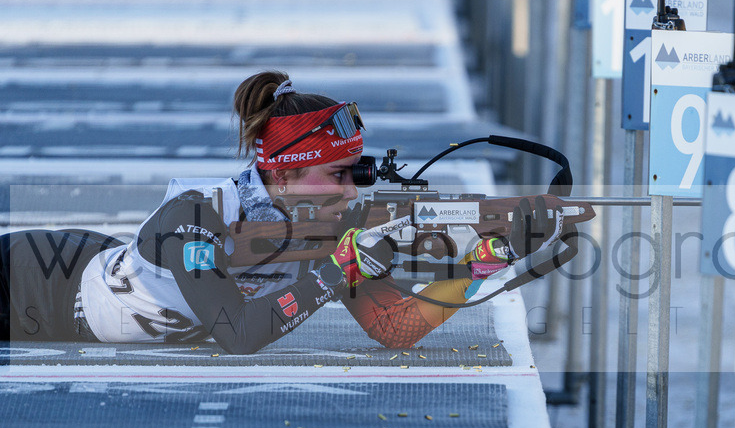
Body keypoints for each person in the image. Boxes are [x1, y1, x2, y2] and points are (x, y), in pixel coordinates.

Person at [0, 71, 561, 354]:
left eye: (355, 175)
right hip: (25, 283)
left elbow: (396, 328)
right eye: (338, 175)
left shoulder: (336, 230)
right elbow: (237, 336)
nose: (351, 193)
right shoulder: (193, 215)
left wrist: (488, 262)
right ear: (286, 173)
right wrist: (336, 271)